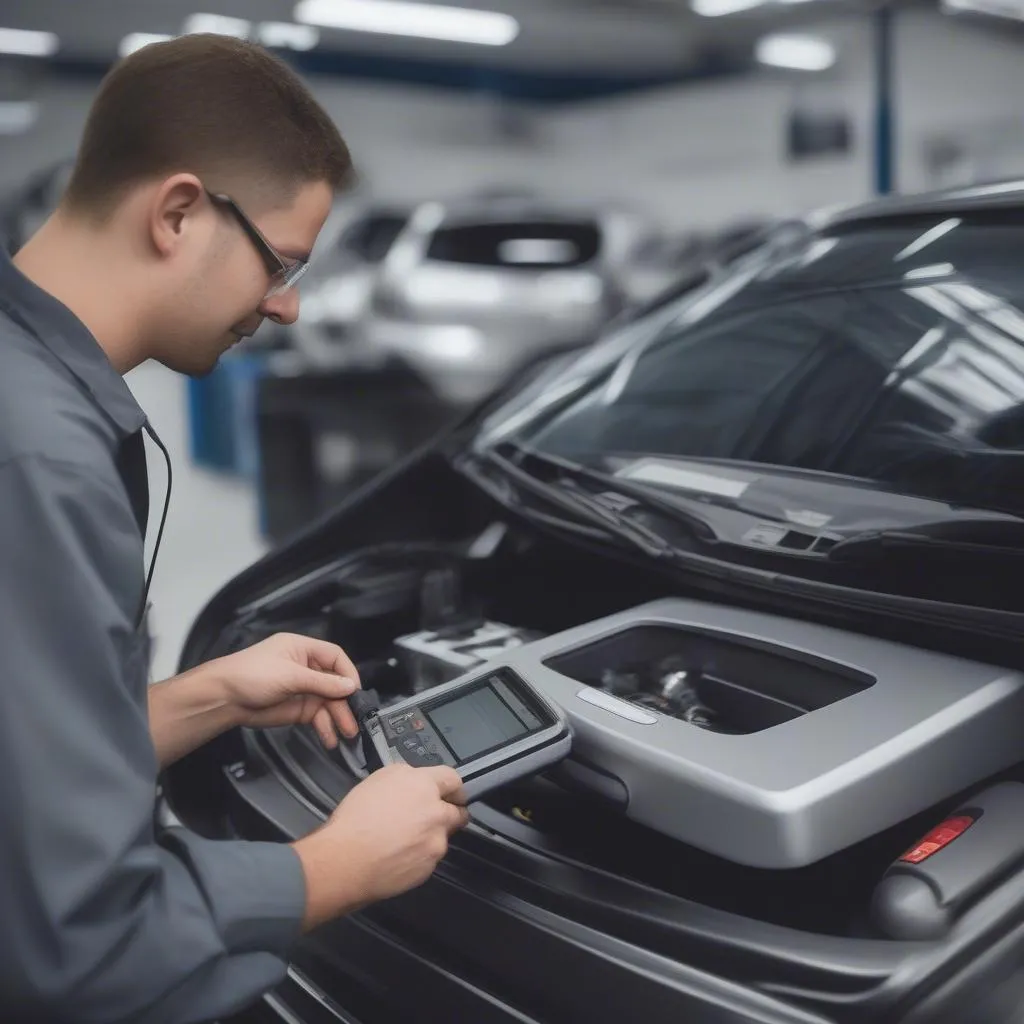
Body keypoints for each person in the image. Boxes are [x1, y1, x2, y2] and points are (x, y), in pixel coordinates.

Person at [0, 33, 470, 1024]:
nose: (288, 306)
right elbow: (77, 949)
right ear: (177, 213)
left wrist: (206, 696)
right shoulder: (43, 460)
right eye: (282, 261)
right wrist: (331, 867)